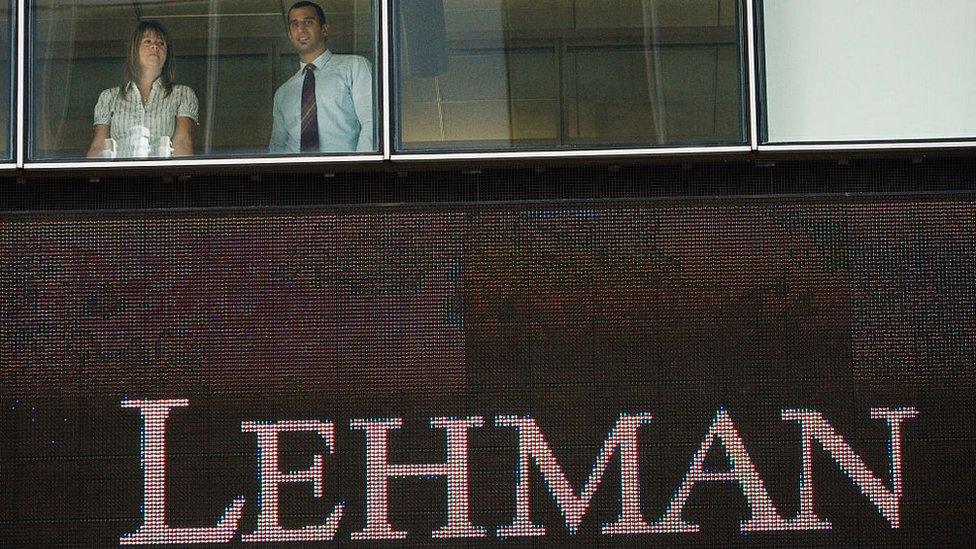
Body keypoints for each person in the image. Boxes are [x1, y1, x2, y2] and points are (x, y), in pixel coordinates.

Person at [270, 1, 375, 154]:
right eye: (295, 24)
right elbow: (277, 147)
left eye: (308, 22)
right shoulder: (283, 93)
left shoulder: (354, 67)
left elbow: (371, 123)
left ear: (324, 29)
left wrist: (359, 170)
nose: (301, 29)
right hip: (297, 175)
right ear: (290, 35)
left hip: (346, 173)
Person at [87, 20, 198, 158]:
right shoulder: (109, 97)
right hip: (119, 177)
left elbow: (182, 143)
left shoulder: (182, 94)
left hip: (162, 176)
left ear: (167, 55)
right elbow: (99, 146)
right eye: (148, 41)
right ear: (135, 50)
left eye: (161, 43)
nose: (155, 46)